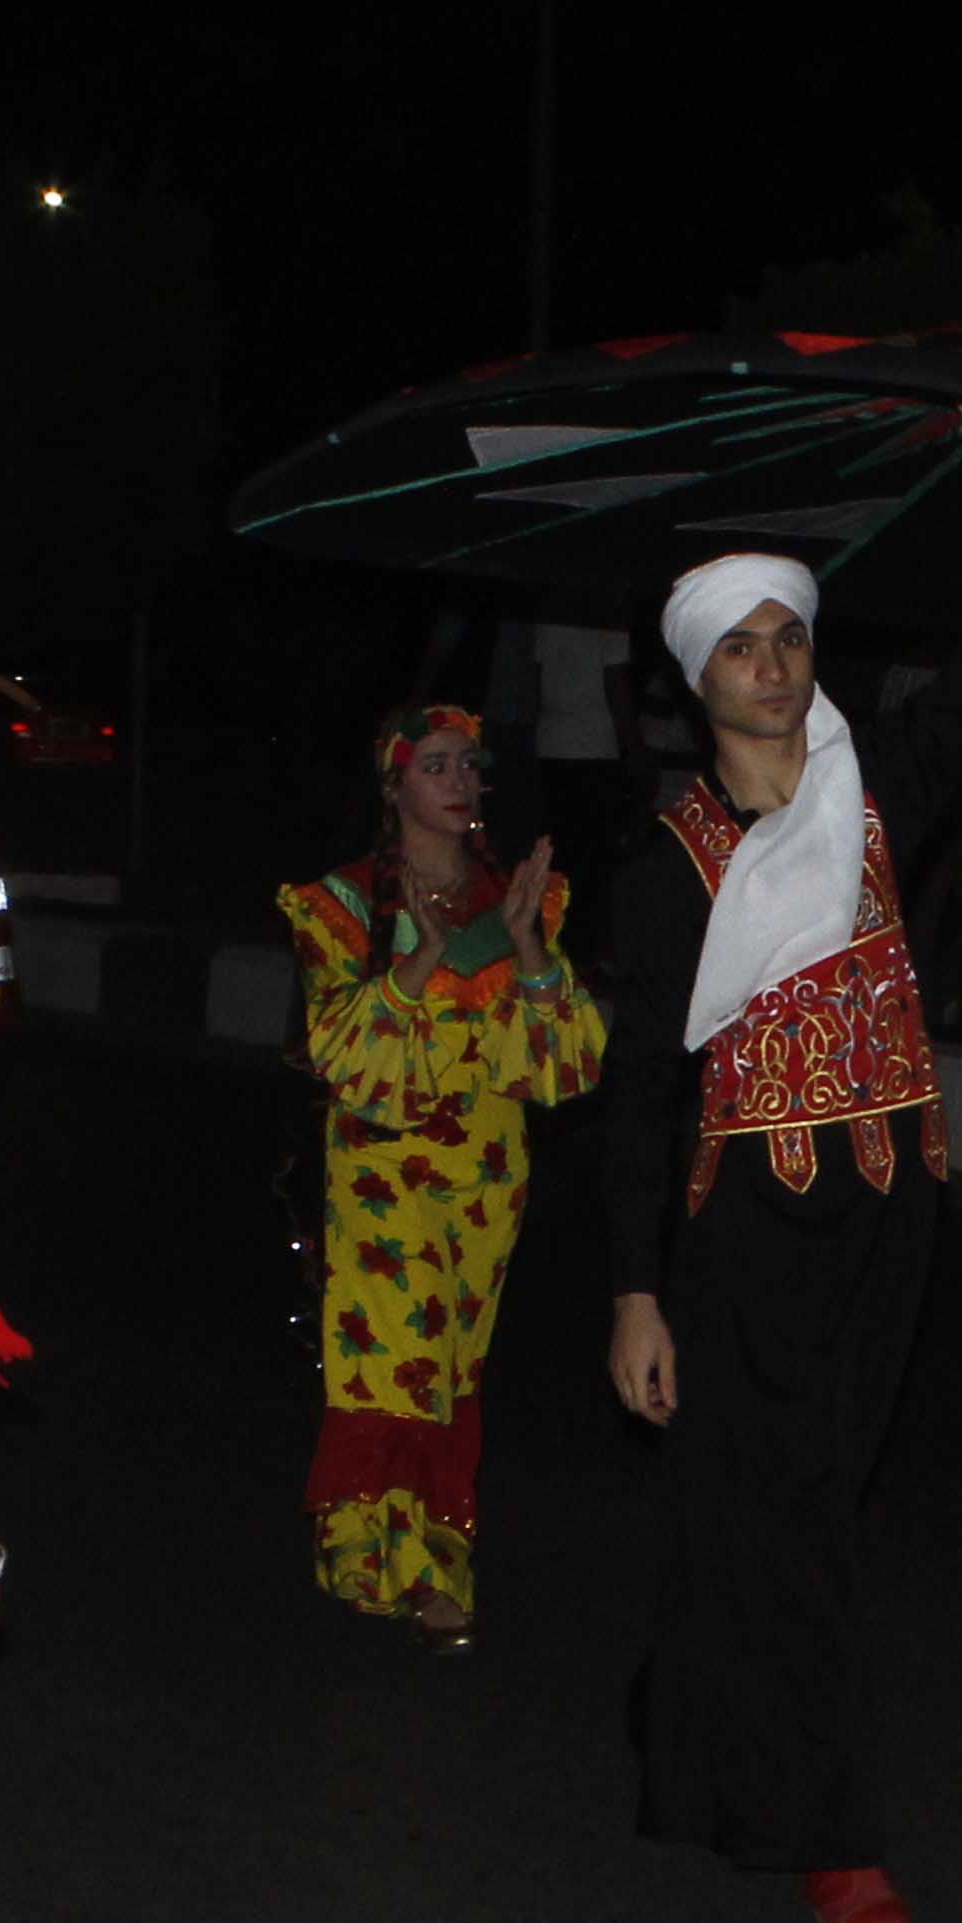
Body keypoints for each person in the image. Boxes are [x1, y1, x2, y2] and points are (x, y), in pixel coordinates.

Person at [596, 407, 962, 1923]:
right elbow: (636, 1098)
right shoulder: (669, 863)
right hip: (752, 1233)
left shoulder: (876, 796)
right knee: (798, 1526)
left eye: (791, 637)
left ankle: (695, 1724)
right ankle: (833, 1838)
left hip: (894, 1208)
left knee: (804, 1506)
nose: (774, 663)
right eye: (743, 645)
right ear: (701, 674)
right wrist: (636, 1292)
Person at [279, 704, 602, 1643]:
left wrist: (528, 944)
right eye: (436, 766)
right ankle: (409, 1568)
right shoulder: (338, 904)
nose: (459, 781)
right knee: (394, 1364)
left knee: (453, 1366)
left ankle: (410, 1549)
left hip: (488, 1170)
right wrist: (419, 957)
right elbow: (339, 1050)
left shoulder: (519, 899)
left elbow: (564, 1063)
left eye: (469, 765)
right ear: (394, 787)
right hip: (384, 1173)